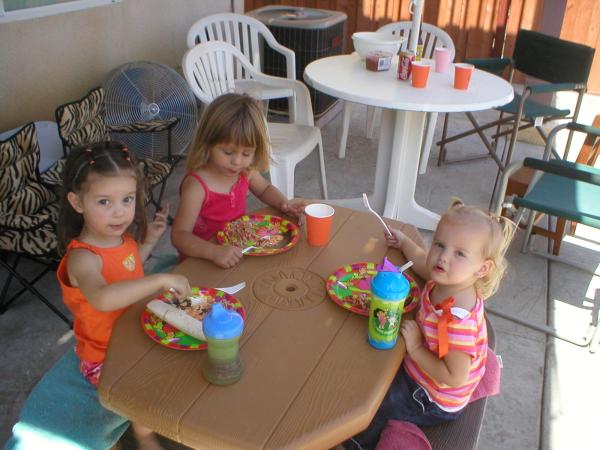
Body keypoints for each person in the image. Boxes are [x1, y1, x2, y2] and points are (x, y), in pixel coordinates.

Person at [348, 200, 515, 449]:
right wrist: (404, 241)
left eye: (459, 253)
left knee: (375, 408)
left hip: (431, 395)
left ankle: (352, 443)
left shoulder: (456, 321)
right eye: (439, 244)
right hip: (426, 367)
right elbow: (422, 261)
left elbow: (454, 377)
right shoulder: (449, 278)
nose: (443, 257)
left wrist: (415, 348)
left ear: (482, 269)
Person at [57, 141, 192, 450]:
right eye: (104, 202)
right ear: (77, 203)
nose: (119, 212)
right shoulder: (83, 258)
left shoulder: (121, 239)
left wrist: (149, 243)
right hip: (104, 354)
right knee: (143, 391)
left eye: (127, 199)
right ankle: (142, 435)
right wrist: (159, 279)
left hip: (135, 333)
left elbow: (128, 268)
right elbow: (103, 298)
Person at [171, 93, 307, 268]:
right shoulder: (197, 186)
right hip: (201, 262)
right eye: (228, 152)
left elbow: (264, 189)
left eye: (246, 154)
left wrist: (284, 204)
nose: (236, 161)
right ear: (208, 143)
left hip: (237, 253)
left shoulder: (244, 172)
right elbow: (180, 235)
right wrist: (213, 252)